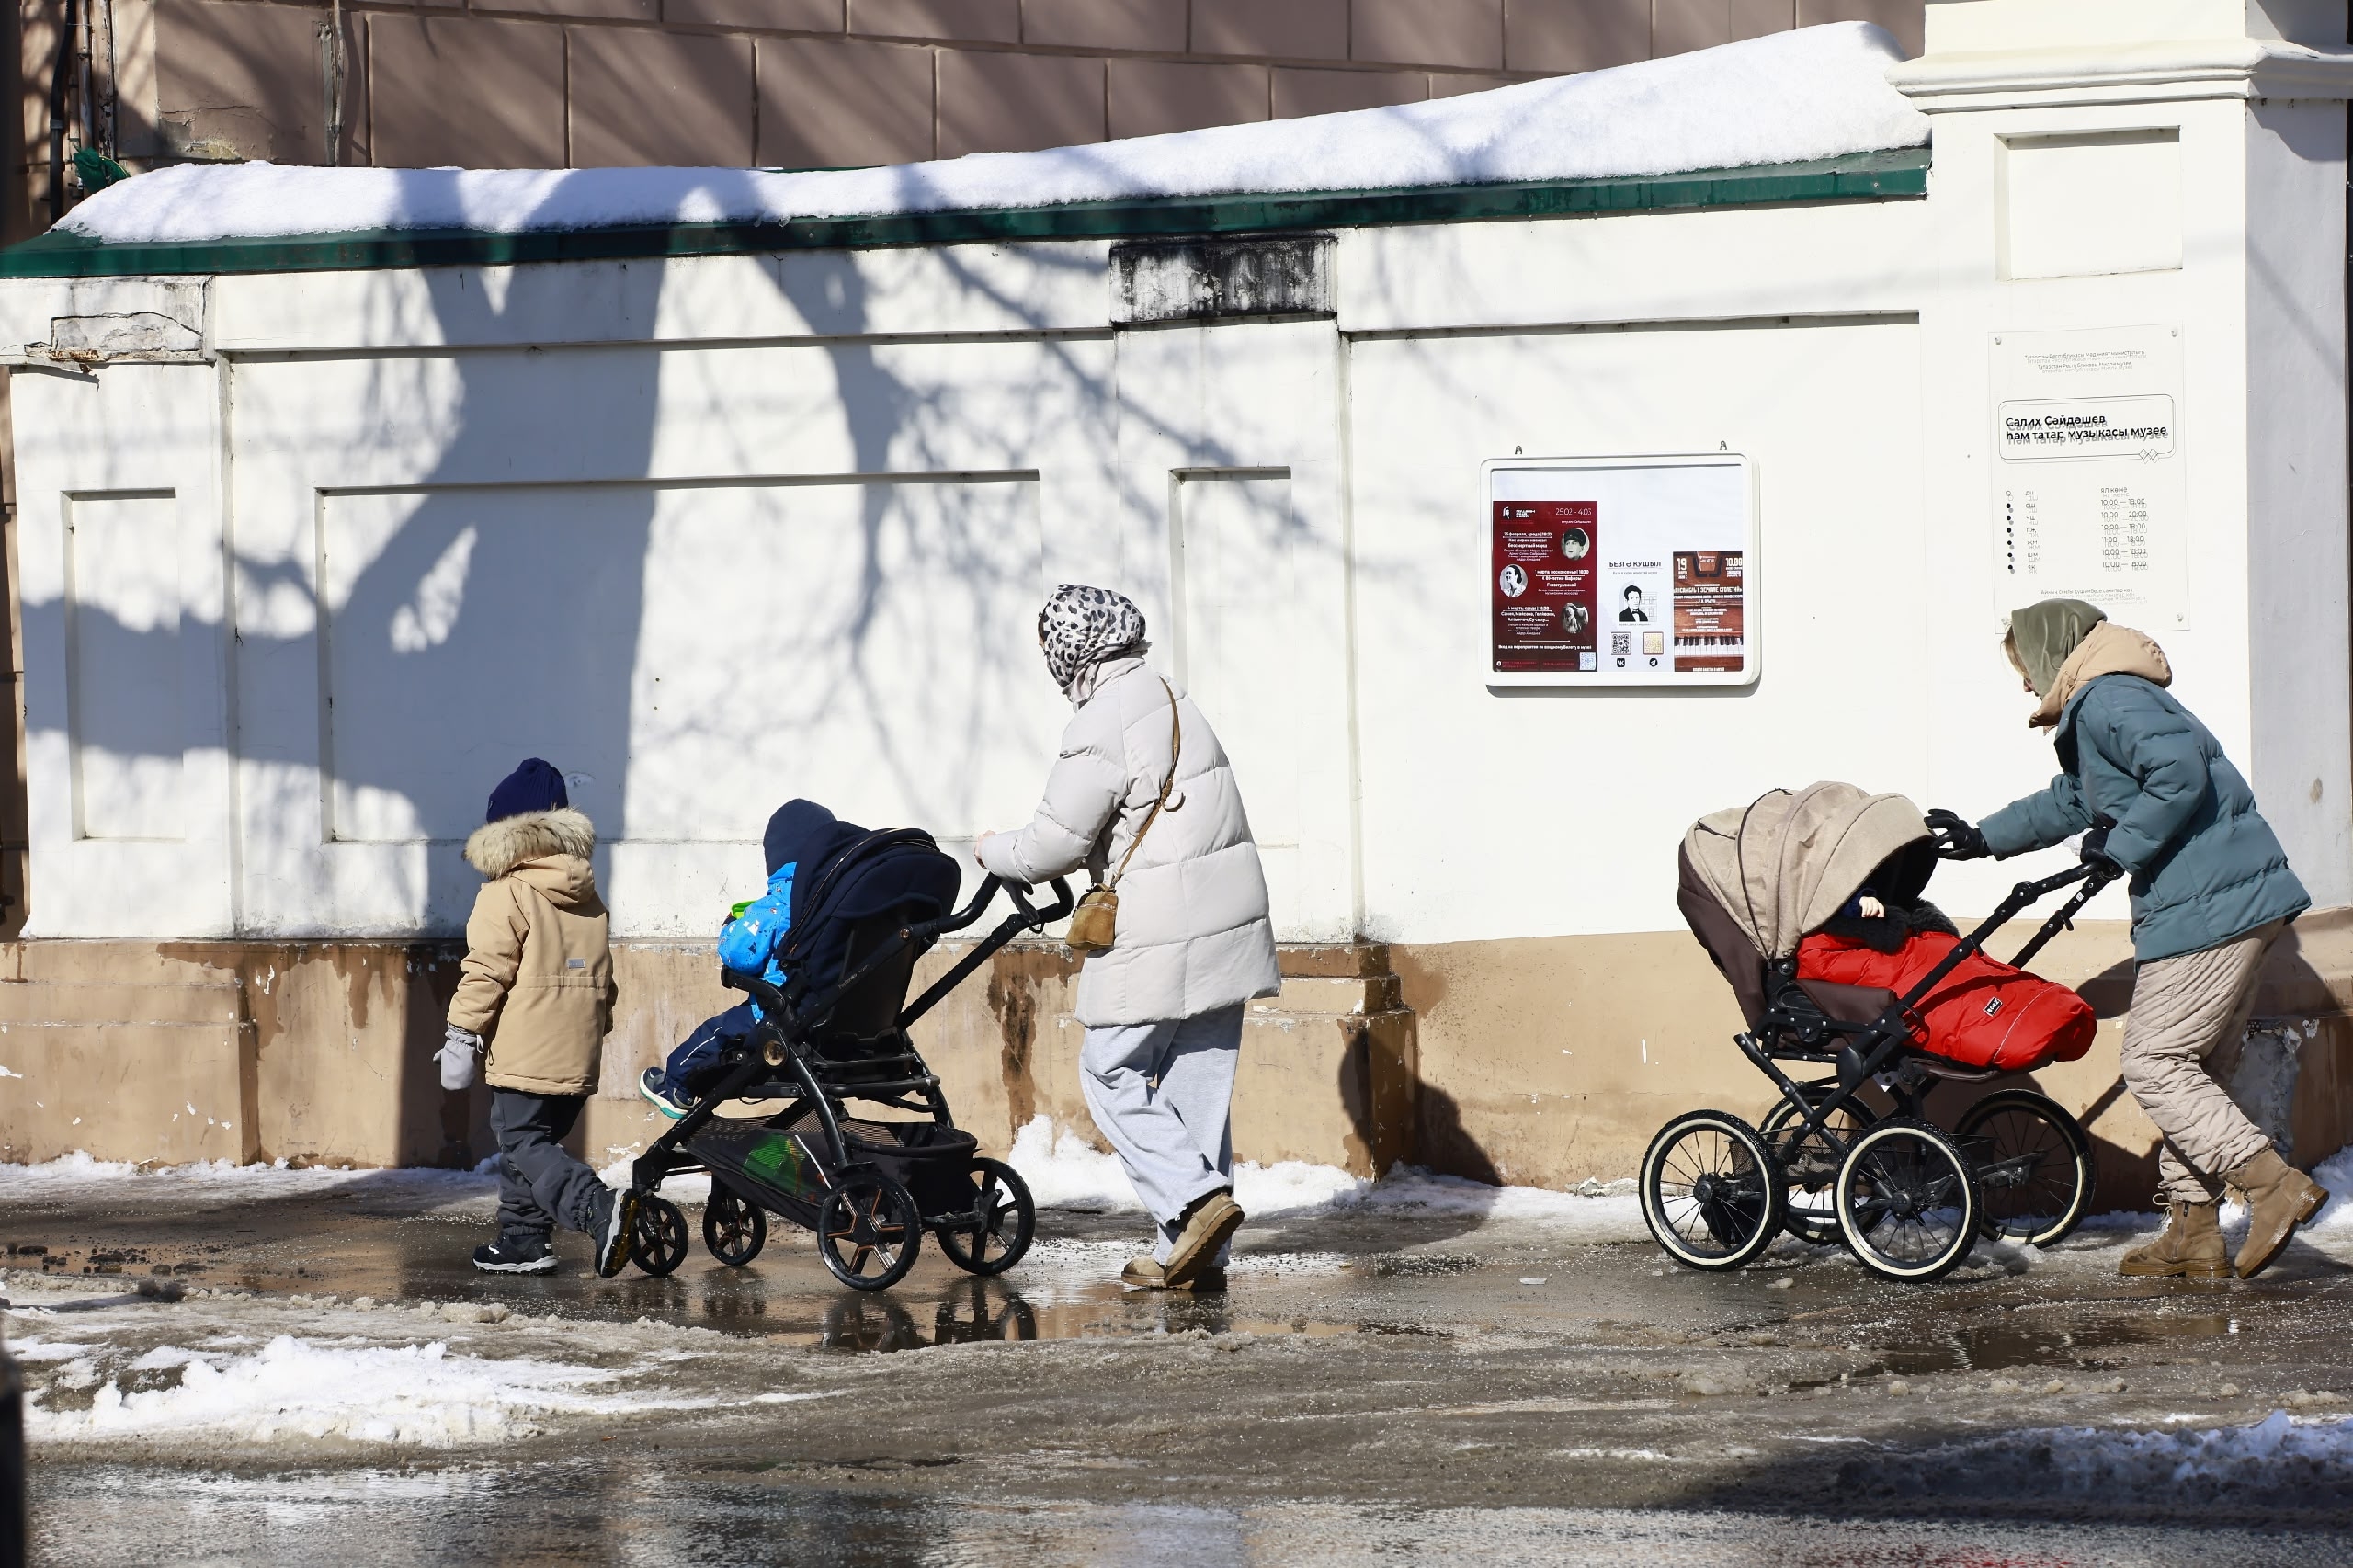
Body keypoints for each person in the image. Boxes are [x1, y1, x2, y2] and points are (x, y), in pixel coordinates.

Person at [1927, 599, 2324, 1280]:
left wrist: (2124, 845)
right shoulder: (2108, 702)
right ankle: (2193, 1231)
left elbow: (2179, 775)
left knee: (2153, 1062)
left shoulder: (2109, 698)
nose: (2026, 684)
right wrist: (1983, 838)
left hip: (2207, 907)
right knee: (2197, 1067)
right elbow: (2073, 802)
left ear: (2054, 651)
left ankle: (2270, 1186)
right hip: (2227, 901)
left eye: (2025, 667)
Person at [977, 585, 1281, 1292]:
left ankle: (1196, 1202)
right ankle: (1194, 1248)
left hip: (1161, 926)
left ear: (1068, 654)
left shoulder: (1102, 719)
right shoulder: (1170, 698)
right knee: (1196, 1084)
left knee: (1108, 1067)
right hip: (1225, 920)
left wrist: (990, 848)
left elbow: (1053, 844)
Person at [438, 759, 636, 1278]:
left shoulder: (506, 892)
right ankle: (522, 1240)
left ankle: (596, 1207)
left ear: (505, 832)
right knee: (531, 1145)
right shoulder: (587, 895)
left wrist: (462, 1033)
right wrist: (599, 1027)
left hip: (527, 1046)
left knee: (522, 1141)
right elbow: (603, 974)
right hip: (578, 1048)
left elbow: (485, 971)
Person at [640, 800, 863, 1117]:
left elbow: (741, 956)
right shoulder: (846, 897)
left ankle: (675, 1086)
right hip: (846, 1019)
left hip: (785, 1015)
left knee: (715, 1035)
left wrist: (732, 926)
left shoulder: (783, 898)